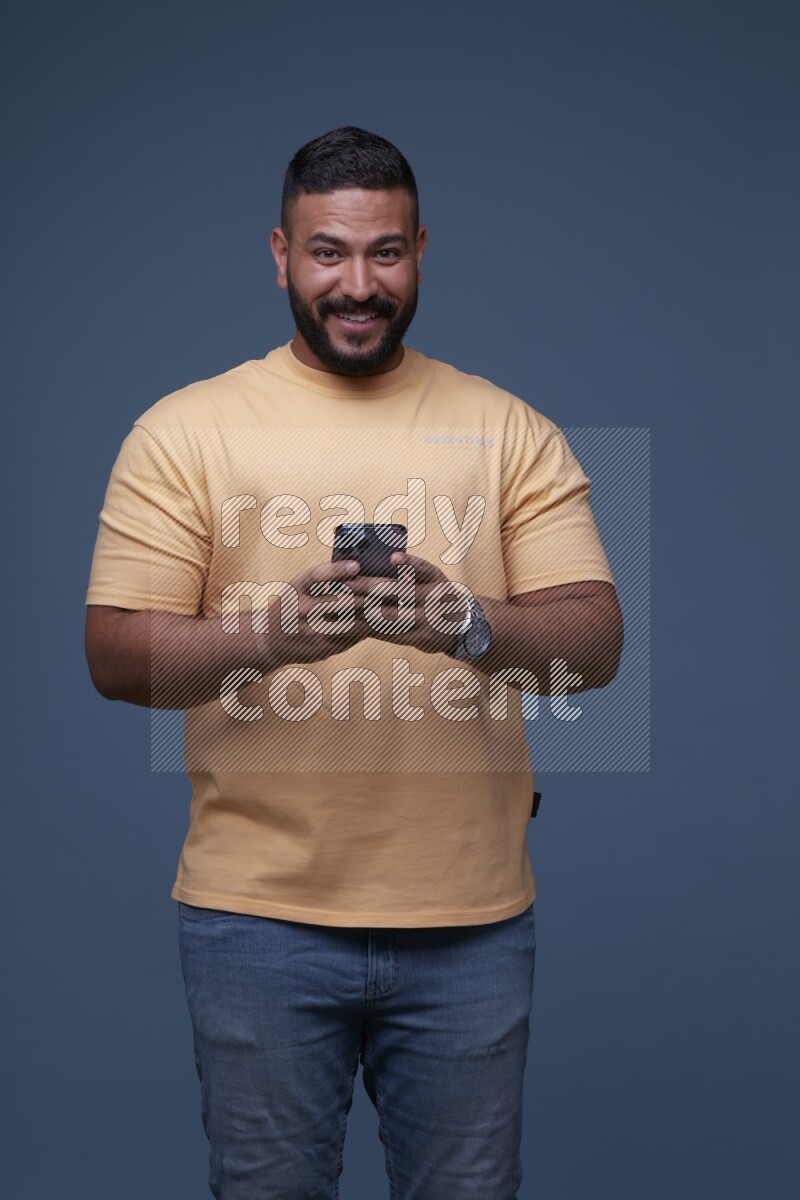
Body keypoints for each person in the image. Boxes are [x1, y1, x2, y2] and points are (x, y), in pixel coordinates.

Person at [85, 126, 623, 1200]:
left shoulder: (507, 429)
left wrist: (466, 625)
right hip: (255, 922)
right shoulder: (183, 432)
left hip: (470, 924)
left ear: (420, 250)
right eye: (327, 252)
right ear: (278, 255)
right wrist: (267, 639)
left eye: (383, 253)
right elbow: (114, 655)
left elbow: (593, 644)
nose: (357, 284)